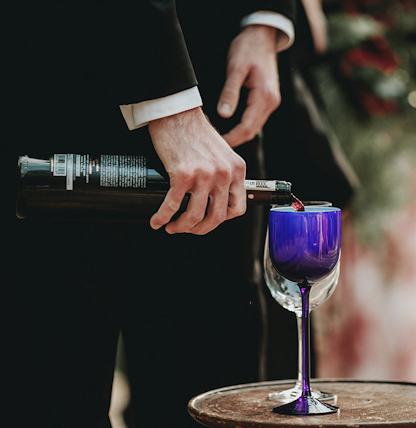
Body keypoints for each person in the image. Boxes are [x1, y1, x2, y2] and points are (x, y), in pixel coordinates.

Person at [1, 2, 296, 427]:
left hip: (218, 121)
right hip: (73, 79)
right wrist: (169, 100)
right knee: (52, 389)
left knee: (207, 389)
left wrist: (264, 23)